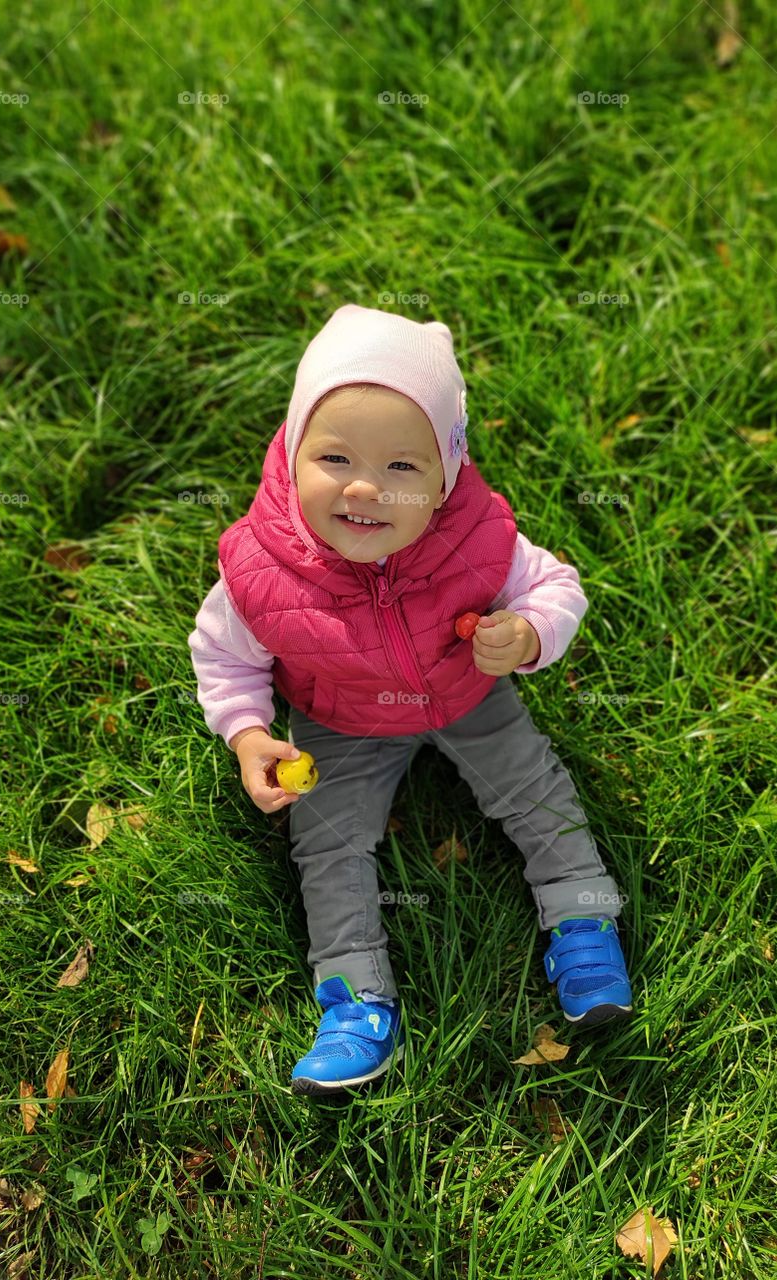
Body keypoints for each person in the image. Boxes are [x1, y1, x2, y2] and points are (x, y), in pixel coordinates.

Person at [188, 304, 633, 1097]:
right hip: (341, 719)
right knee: (326, 846)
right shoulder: (260, 570)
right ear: (291, 456)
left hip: (464, 691)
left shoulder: (478, 539)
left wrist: (527, 634)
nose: (363, 486)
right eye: (333, 457)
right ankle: (355, 1000)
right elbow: (224, 656)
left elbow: (556, 587)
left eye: (401, 468)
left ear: (446, 477)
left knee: (536, 791)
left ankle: (584, 923)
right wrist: (249, 733)